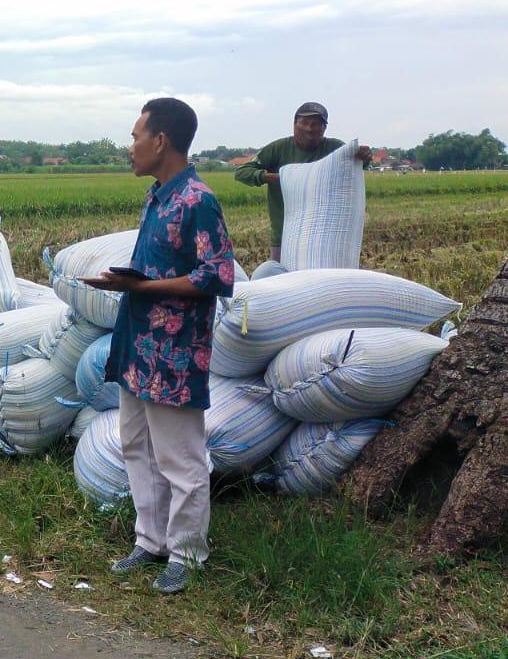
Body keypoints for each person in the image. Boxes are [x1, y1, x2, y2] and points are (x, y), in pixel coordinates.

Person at [85, 98, 235, 595]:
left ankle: (187, 552)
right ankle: (150, 541)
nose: (130, 147)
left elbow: (217, 276)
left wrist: (138, 288)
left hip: (174, 354)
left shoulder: (198, 200)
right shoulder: (157, 196)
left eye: (135, 137)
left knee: (180, 456)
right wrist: (130, 284)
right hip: (138, 347)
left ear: (160, 140)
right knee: (136, 446)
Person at [234, 102, 371, 271]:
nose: (309, 129)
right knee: (280, 281)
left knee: (324, 281)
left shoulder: (335, 148)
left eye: (315, 124)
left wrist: (364, 157)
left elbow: (357, 165)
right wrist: (270, 177)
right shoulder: (278, 149)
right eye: (304, 123)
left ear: (324, 128)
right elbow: (242, 172)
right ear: (294, 124)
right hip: (284, 235)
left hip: (325, 236)